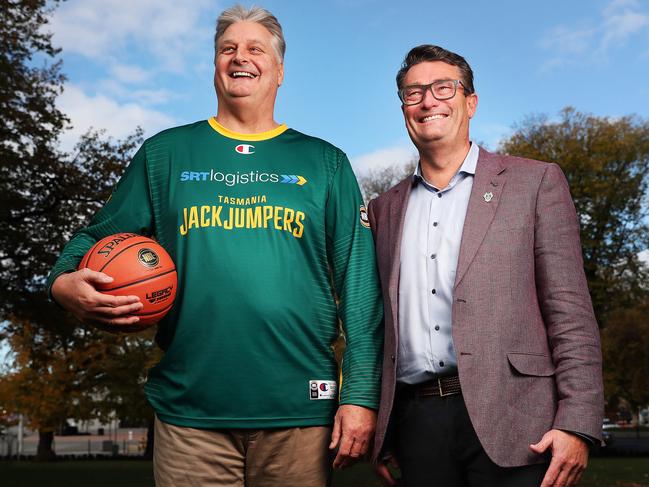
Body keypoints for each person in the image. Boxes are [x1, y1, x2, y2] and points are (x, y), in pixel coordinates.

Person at [48, 5, 383, 486]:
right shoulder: (166, 154)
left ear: (280, 69)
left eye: (254, 48)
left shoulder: (325, 162)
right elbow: (94, 236)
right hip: (190, 412)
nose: (239, 57)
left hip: (300, 408)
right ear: (214, 65)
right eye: (227, 48)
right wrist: (62, 284)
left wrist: (361, 394)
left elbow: (360, 285)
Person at [368, 45, 603, 487]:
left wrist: (577, 422)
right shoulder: (384, 209)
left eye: (443, 87)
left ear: (470, 102)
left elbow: (569, 312)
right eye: (413, 92)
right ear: (404, 108)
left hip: (520, 421)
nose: (428, 101)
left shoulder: (535, 182)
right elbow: (380, 328)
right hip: (417, 426)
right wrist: (384, 427)